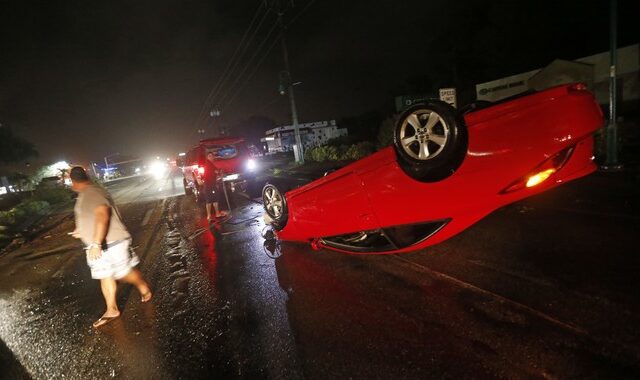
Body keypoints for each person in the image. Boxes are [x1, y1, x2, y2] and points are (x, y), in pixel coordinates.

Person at [68, 166, 152, 328]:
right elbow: (92, 217)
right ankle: (112, 309)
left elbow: (102, 214)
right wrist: (82, 230)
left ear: (74, 181)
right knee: (104, 275)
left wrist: (96, 243)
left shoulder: (92, 193)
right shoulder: (86, 194)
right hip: (98, 245)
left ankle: (142, 285)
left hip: (111, 243)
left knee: (123, 274)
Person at [202, 152, 228, 222]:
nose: (211, 157)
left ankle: (216, 213)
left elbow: (216, 171)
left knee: (214, 199)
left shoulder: (210, 164)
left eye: (212, 156)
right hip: (209, 185)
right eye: (209, 156)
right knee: (210, 200)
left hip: (211, 184)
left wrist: (219, 172)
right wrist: (220, 172)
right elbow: (216, 171)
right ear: (207, 157)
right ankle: (210, 216)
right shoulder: (208, 164)